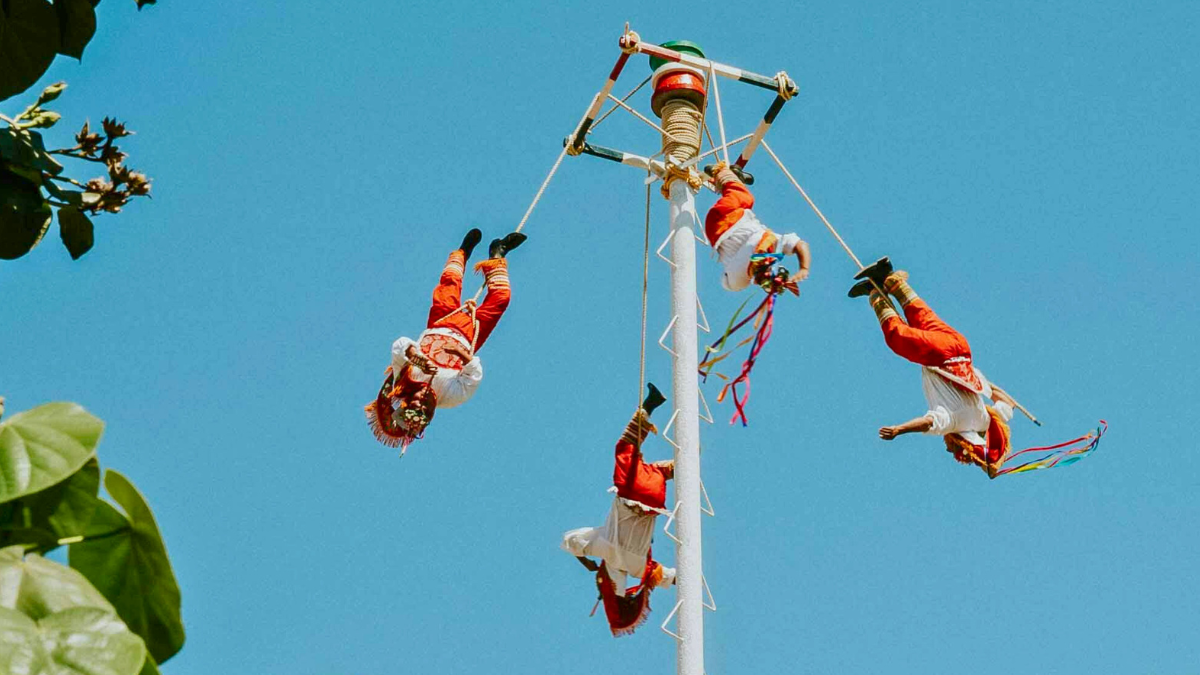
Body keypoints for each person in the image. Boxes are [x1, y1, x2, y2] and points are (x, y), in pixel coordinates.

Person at [849, 257, 1017, 477]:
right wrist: (900, 430)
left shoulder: (985, 417)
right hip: (939, 355)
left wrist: (987, 385)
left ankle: (889, 277)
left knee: (922, 317)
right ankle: (875, 291)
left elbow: (1009, 403)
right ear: (963, 443)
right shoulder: (954, 422)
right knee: (897, 337)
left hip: (961, 349)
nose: (947, 448)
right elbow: (927, 423)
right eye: (953, 450)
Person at [365, 228, 525, 453]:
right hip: (470, 335)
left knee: (449, 283)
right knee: (501, 299)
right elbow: (473, 378)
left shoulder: (405, 379)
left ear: (404, 404)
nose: (420, 405)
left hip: (440, 321)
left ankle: (462, 253)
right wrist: (461, 355)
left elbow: (400, 345)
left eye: (413, 407)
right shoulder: (450, 397)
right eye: (424, 412)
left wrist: (417, 359)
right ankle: (498, 255)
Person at [561, 384, 678, 636]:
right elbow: (571, 540)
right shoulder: (602, 546)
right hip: (630, 493)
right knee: (625, 448)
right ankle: (650, 405)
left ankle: (683, 465)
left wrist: (684, 579)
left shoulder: (640, 568)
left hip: (654, 500)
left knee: (655, 471)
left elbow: (667, 576)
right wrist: (587, 562)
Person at [703, 161, 811, 293]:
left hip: (726, 218)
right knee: (742, 199)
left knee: (745, 197)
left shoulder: (741, 279)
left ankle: (721, 172)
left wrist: (786, 278)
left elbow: (799, 244)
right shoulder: (773, 245)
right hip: (717, 228)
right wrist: (803, 268)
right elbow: (800, 244)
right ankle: (730, 179)